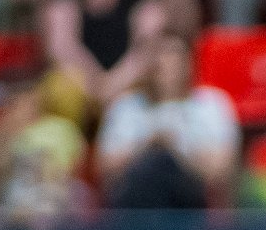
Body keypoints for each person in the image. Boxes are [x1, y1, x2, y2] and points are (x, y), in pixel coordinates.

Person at [96, 28, 239, 207]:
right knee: (153, 166)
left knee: (163, 164)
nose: (167, 63)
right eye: (160, 56)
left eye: (174, 56)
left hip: (190, 201)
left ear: (189, 63)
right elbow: (104, 169)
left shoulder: (212, 104)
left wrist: (175, 148)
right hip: (134, 203)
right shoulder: (126, 107)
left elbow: (220, 170)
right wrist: (147, 145)